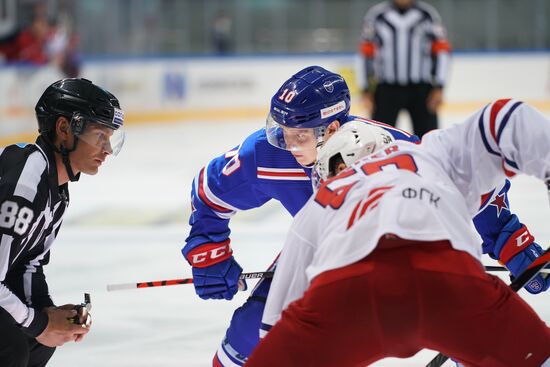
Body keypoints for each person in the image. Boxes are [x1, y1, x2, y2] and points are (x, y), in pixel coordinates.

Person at [245, 107, 550, 367]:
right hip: (449, 280)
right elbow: (508, 119)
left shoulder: (322, 199)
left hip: (345, 293)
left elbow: (274, 321)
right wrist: (510, 235)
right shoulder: (427, 151)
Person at [183, 65, 419, 367]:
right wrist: (209, 252)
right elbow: (209, 192)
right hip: (317, 247)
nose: (288, 144)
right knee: (249, 333)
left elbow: (470, 194)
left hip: (396, 254)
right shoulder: (266, 153)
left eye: (300, 135)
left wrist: (499, 238)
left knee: (460, 324)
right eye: (282, 131)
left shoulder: (395, 150)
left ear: (332, 129)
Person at [0, 78, 125, 367]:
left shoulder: (56, 189)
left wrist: (47, 314)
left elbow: (28, 263)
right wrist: (39, 323)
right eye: (99, 136)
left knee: (39, 343)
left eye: (110, 139)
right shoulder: (28, 181)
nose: (106, 149)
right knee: (12, 346)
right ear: (64, 129)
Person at [358, 0, 451, 137]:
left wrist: (439, 86)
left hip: (421, 89)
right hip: (387, 89)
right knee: (379, 139)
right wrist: (365, 89)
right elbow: (366, 53)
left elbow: (442, 51)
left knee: (429, 139)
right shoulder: (377, 15)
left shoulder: (427, 14)